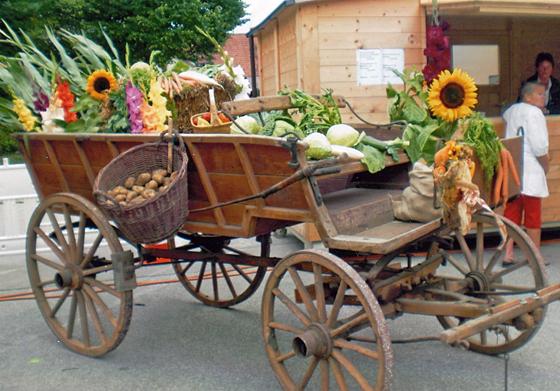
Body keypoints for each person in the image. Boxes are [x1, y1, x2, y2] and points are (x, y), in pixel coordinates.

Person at [503, 82, 550, 266]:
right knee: (532, 216)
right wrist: (545, 166)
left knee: (512, 214)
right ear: (527, 96)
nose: (543, 96)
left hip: (514, 168)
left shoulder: (512, 111)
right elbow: (539, 146)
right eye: (539, 94)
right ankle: (535, 256)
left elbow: (505, 116)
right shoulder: (535, 113)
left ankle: (508, 254)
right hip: (531, 169)